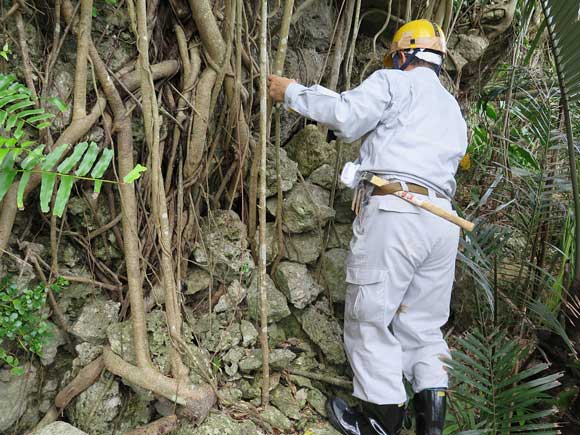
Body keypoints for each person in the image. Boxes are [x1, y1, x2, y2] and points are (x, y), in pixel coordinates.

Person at [268, 19, 467, 435]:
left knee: (370, 316)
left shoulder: (394, 82)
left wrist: (291, 92)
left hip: (398, 212)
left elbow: (346, 115)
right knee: (423, 326)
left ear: (403, 54)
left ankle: (379, 420)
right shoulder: (452, 109)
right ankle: (430, 426)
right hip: (443, 221)